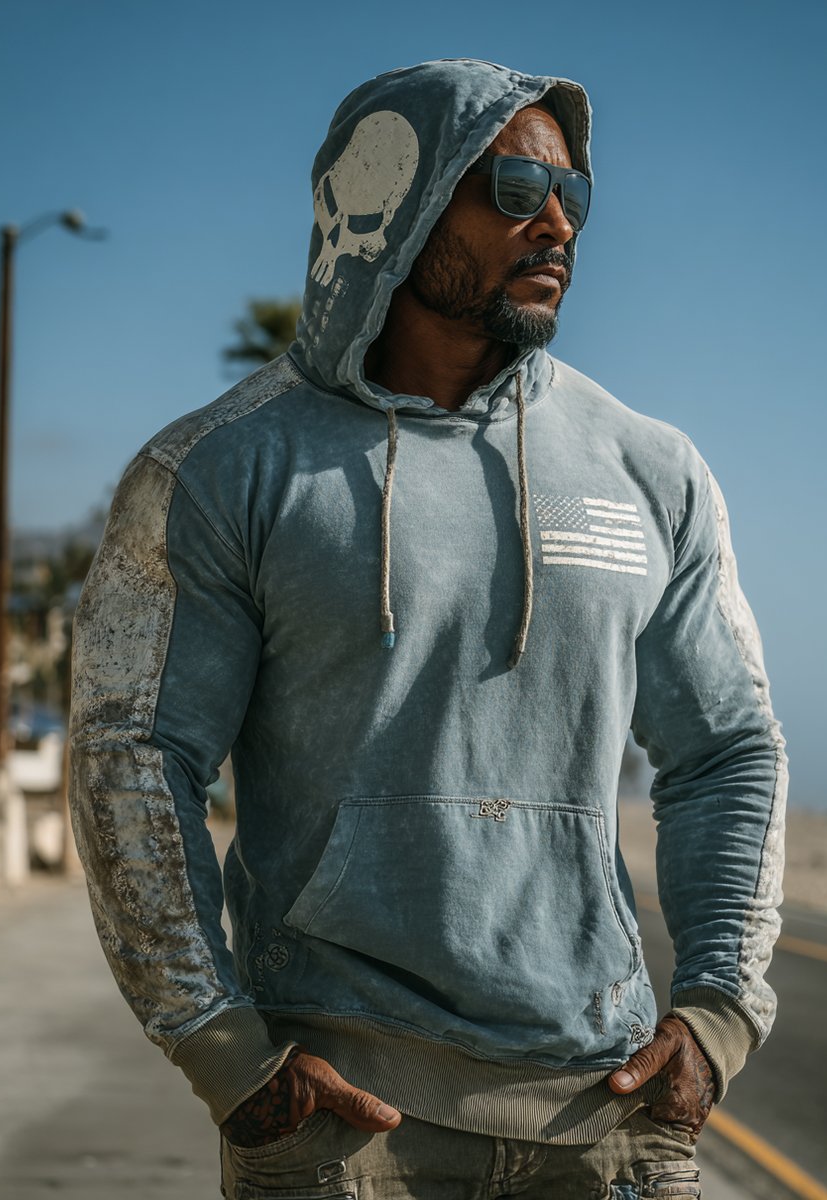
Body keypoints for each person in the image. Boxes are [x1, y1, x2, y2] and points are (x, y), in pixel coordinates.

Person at [69, 59, 786, 1198]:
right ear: (395, 202)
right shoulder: (220, 469)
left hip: (609, 1117)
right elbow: (133, 756)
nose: (558, 224)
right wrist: (223, 1049)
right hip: (341, 1124)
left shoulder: (651, 470)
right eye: (515, 189)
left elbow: (728, 748)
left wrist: (716, 1015)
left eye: (574, 196)